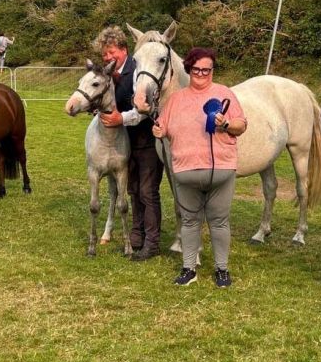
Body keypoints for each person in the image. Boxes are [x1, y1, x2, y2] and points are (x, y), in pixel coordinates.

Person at [151, 47, 247, 287]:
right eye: (197, 70)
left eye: (207, 69)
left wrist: (225, 124)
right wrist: (159, 130)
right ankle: (188, 268)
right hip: (186, 173)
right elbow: (162, 126)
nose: (202, 74)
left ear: (212, 70)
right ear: (189, 70)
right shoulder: (175, 99)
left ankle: (222, 269)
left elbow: (241, 125)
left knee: (219, 221)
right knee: (190, 222)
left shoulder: (224, 93)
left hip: (221, 170)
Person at [95, 25, 165, 261]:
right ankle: (137, 235)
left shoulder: (138, 70)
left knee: (147, 191)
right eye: (104, 54)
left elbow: (145, 109)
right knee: (133, 188)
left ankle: (152, 242)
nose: (107, 57)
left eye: (111, 51)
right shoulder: (113, 73)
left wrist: (119, 118)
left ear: (124, 49)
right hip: (126, 142)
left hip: (146, 140)